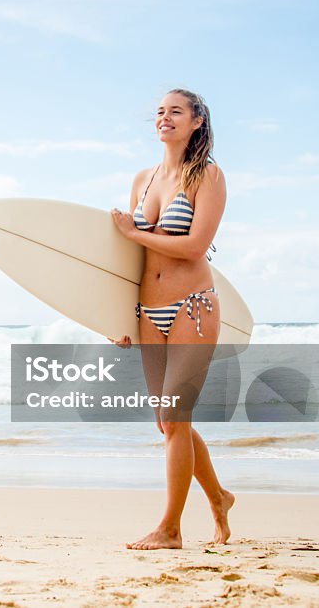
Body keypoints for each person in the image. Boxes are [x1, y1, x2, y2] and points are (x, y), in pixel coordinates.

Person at [108, 89, 234, 550]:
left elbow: (195, 246)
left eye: (176, 111)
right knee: (167, 422)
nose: (165, 117)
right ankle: (219, 498)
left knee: (176, 417)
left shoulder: (208, 175)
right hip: (147, 310)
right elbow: (127, 258)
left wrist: (136, 231)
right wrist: (114, 316)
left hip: (191, 306)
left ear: (197, 121)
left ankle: (170, 529)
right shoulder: (143, 178)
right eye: (160, 111)